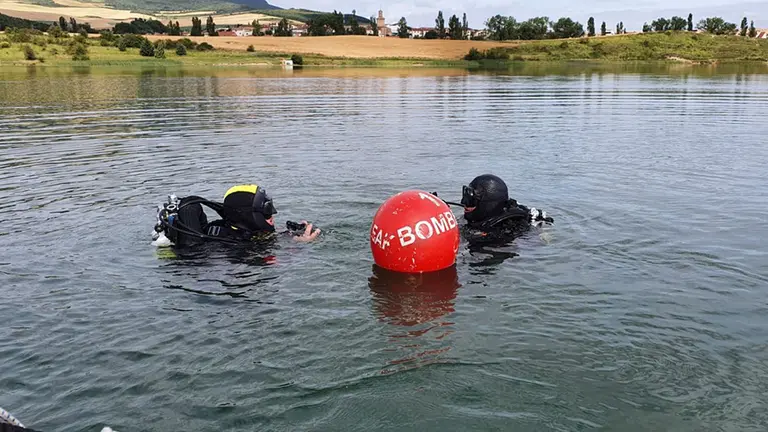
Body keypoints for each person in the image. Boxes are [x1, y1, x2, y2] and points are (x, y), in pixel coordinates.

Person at [152, 184, 320, 247]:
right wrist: (301, 246)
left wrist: (293, 236)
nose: (272, 216)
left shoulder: (234, 229)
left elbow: (260, 240)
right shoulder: (230, 245)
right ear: (248, 216)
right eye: (267, 211)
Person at [458, 174, 553, 245]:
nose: (464, 203)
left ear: (488, 204)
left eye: (471, 200)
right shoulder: (480, 219)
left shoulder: (505, 231)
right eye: (466, 197)